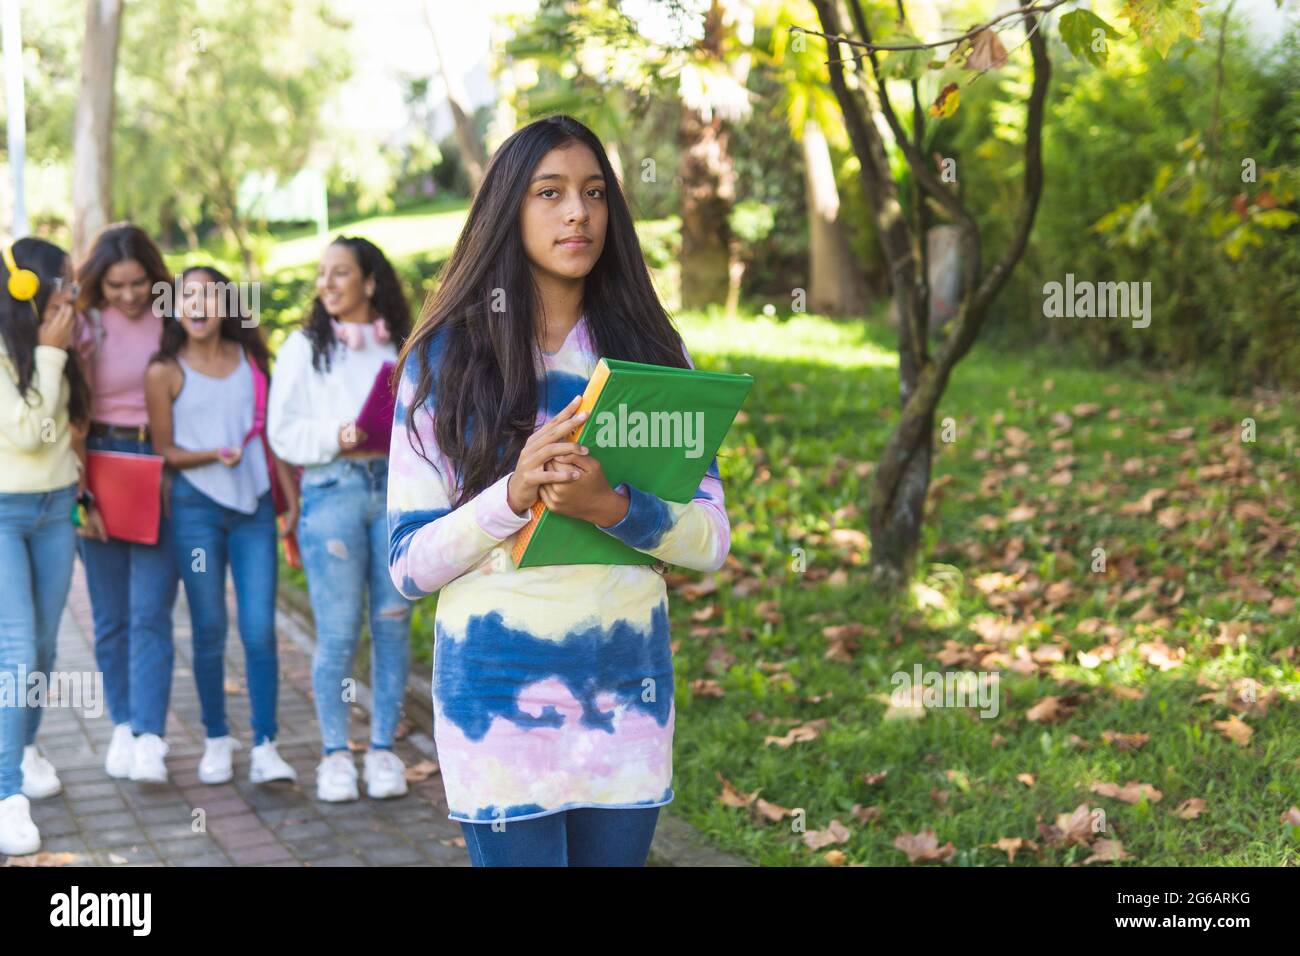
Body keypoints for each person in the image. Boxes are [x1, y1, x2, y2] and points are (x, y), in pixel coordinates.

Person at [387, 115, 732, 866]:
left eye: (594, 192)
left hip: (626, 701)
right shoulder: (443, 363)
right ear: (509, 211)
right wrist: (511, 497)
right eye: (551, 192)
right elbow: (407, 565)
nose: (579, 212)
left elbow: (710, 541)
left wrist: (613, 508)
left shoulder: (653, 356)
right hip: (498, 708)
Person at [267, 236, 414, 802]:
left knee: (393, 620)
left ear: (370, 282)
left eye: (340, 273)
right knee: (337, 629)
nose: (326, 284)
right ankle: (334, 754)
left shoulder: (400, 347)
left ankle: (383, 751)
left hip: (396, 490)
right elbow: (281, 432)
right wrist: (338, 435)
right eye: (321, 274)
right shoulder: (303, 348)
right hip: (333, 492)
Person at [144, 266, 300, 786]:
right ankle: (216, 736)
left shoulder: (252, 360)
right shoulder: (163, 370)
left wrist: (290, 501)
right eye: (187, 297)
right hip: (196, 510)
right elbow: (163, 451)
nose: (198, 306)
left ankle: (265, 744)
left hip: (254, 508)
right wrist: (213, 454)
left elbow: (273, 435)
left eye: (208, 296)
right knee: (209, 629)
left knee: (259, 630)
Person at [73, 224, 180, 784]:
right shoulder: (86, 325)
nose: (129, 295)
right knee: (110, 614)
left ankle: (151, 735)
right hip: (98, 466)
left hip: (158, 467)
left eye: (138, 282)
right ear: (99, 283)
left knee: (150, 614)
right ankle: (122, 723)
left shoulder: (173, 320)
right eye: (116, 286)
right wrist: (76, 488)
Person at [0, 239, 92, 856]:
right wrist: (51, 356)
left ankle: (25, 746)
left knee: (43, 645)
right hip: (5, 513)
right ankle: (8, 796)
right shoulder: (18, 353)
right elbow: (30, 435)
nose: (74, 296)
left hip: (57, 507)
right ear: (32, 289)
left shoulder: (63, 345)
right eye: (66, 284)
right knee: (14, 649)